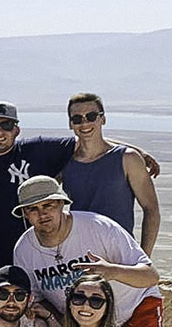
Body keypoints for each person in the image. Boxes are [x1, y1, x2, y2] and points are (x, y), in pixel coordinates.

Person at [0, 100, 160, 313]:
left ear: (17, 129)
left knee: (26, 324)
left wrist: (133, 150)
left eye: (7, 125)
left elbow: (86, 139)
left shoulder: (36, 150)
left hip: (29, 259)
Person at [11, 175, 164, 327]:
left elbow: (151, 276)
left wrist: (112, 271)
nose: (42, 214)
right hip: (83, 323)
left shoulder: (98, 227)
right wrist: (60, 322)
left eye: (48, 205)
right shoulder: (24, 249)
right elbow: (37, 298)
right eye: (33, 209)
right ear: (24, 214)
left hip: (134, 308)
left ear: (61, 204)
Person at [62, 92, 161, 254]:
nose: (84, 123)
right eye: (77, 119)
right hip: (78, 256)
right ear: (70, 124)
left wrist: (144, 257)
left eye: (91, 116)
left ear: (103, 119)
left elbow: (151, 209)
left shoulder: (128, 159)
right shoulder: (64, 161)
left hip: (120, 255)